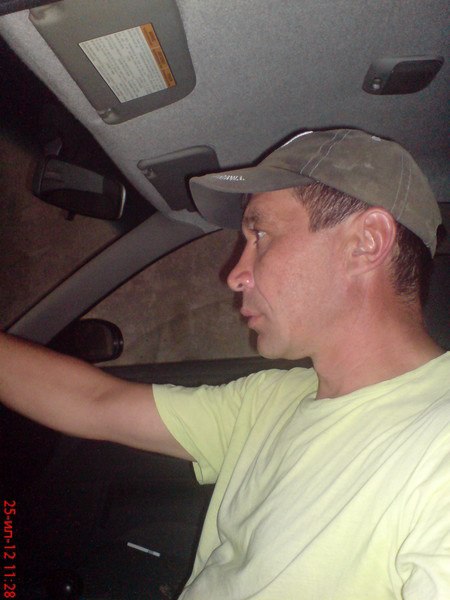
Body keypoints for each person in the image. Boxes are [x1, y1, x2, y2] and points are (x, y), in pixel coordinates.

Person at [1, 128, 449, 599]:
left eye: (261, 235)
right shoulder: (270, 399)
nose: (235, 275)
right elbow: (95, 401)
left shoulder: (438, 443)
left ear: (366, 242)